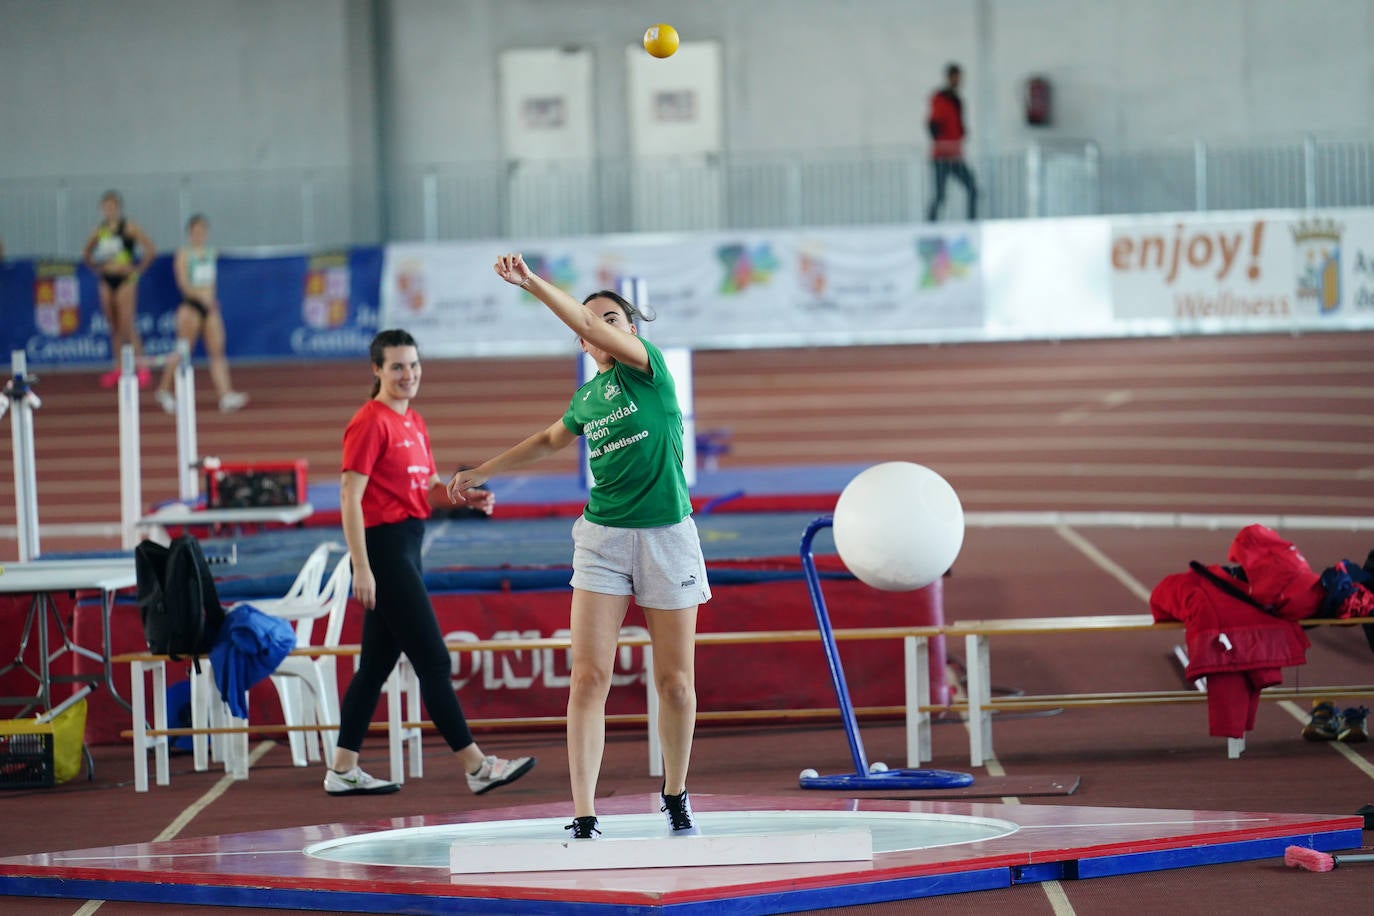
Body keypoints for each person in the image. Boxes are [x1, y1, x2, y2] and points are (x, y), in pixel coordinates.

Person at [448, 254, 711, 840]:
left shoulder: (650, 369)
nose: (600, 327)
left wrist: (530, 282)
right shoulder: (589, 397)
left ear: (631, 330)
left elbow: (592, 324)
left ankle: (675, 794)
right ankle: (586, 814)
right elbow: (549, 439)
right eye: (592, 325)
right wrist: (482, 470)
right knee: (589, 678)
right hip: (602, 541)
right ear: (584, 345)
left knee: (675, 683)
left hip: (667, 537)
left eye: (613, 319)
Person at [325, 328, 535, 796]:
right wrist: (361, 565)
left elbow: (427, 489)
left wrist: (465, 499)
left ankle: (342, 768)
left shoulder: (414, 421)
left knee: (375, 666)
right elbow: (349, 495)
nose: (408, 374)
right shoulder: (369, 422)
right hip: (384, 551)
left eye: (414, 365)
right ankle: (477, 767)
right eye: (397, 367)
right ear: (377, 370)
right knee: (434, 660)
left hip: (408, 546)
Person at [154, 215, 249, 414]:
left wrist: (210, 300)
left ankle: (226, 395)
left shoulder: (210, 252)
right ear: (190, 233)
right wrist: (201, 298)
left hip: (210, 308)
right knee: (182, 351)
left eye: (202, 231)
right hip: (191, 307)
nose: (199, 234)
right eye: (196, 231)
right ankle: (164, 390)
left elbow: (211, 280)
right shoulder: (183, 254)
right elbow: (183, 284)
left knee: (217, 352)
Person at [82, 190, 155, 387]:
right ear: (102, 209)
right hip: (107, 279)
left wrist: (137, 270)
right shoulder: (100, 230)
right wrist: (97, 268)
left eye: (112, 206)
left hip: (125, 280)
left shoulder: (129, 227)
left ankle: (142, 367)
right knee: (113, 325)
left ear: (119, 208)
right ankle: (119, 367)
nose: (109, 210)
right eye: (106, 206)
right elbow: (86, 253)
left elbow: (150, 249)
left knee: (126, 325)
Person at [926, 63, 978, 222]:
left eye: (959, 77)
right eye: (955, 77)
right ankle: (930, 224)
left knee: (972, 188)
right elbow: (933, 124)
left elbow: (957, 125)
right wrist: (941, 139)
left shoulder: (957, 100)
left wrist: (961, 132)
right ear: (949, 77)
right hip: (941, 156)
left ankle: (971, 223)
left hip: (955, 155)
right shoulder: (940, 99)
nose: (958, 80)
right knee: (940, 195)